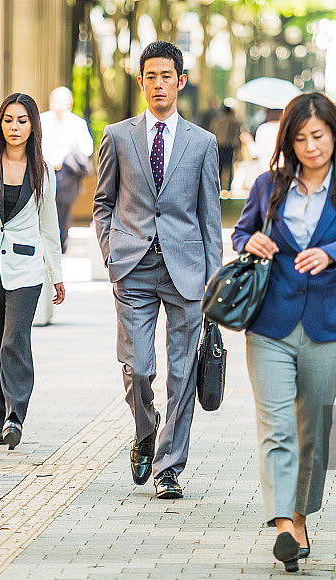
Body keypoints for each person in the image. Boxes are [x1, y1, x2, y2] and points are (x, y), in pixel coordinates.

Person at [232, 92, 336, 571]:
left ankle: (299, 515)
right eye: (299, 138)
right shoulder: (269, 184)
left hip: (328, 328)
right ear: (287, 142)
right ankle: (282, 526)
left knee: (310, 429)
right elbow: (241, 232)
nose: (311, 146)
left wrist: (333, 253)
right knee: (276, 428)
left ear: (335, 134)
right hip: (269, 322)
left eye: (318, 136)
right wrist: (248, 238)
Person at [93, 41, 222, 499]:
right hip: (132, 268)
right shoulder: (118, 135)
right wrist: (111, 251)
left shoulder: (203, 143)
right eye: (151, 76)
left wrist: (215, 278)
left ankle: (170, 466)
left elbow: (210, 217)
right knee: (139, 367)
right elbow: (103, 202)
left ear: (180, 81)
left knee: (183, 372)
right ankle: (145, 429)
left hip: (187, 270)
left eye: (168, 76)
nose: (159, 84)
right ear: (141, 80)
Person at [0, 92, 65, 450]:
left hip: (26, 268)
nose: (15, 127)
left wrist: (56, 273)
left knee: (14, 339)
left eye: (22, 120)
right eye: (9, 120)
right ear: (0, 125)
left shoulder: (42, 169)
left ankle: (15, 414)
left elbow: (49, 225)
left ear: (33, 126)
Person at [40, 86, 94, 253]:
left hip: (66, 173)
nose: (58, 106)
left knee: (64, 209)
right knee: (43, 207)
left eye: (62, 103)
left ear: (70, 104)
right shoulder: (42, 120)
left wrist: (70, 155)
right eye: (55, 102)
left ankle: (61, 246)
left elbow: (87, 148)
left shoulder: (77, 123)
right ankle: (44, 244)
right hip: (44, 170)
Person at [209, 103, 241, 191]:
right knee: (229, 167)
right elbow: (236, 136)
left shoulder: (217, 120)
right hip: (229, 146)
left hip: (219, 146)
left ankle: (219, 186)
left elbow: (213, 132)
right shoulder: (234, 121)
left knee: (219, 167)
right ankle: (228, 187)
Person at [254, 108, 283, 173]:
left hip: (264, 168)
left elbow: (256, 152)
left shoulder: (262, 129)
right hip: (282, 167)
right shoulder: (284, 129)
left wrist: (248, 141)